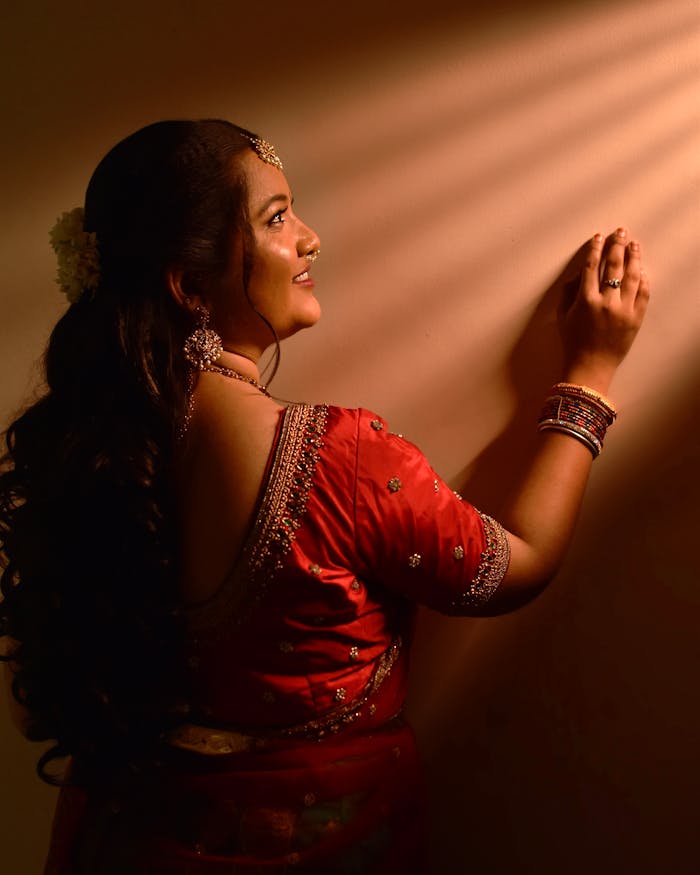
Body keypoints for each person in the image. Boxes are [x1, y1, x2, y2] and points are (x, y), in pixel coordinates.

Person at [0, 119, 649, 874]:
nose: (309, 239)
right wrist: (591, 374)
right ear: (189, 284)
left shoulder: (92, 449)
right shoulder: (338, 461)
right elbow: (522, 561)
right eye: (277, 217)